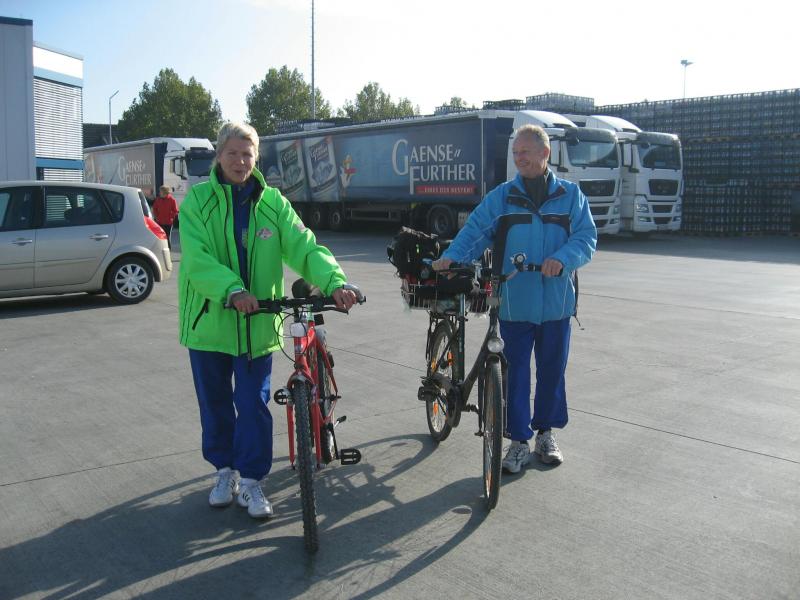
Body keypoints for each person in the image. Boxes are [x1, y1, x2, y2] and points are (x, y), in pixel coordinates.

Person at [177, 122, 358, 519]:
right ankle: (224, 472)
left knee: (253, 405)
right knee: (215, 404)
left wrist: (335, 281)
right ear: (219, 156)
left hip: (257, 324)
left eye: (247, 154)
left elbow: (304, 246)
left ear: (256, 158)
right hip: (209, 323)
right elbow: (196, 259)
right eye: (232, 153)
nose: (240, 161)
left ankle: (252, 481)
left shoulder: (273, 203)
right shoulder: (198, 202)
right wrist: (231, 290)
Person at [433, 124, 597, 472]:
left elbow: (586, 238)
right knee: (515, 375)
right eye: (515, 153)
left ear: (545, 153)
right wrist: (453, 257)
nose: (519, 158)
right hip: (514, 302)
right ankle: (518, 441)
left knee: (552, 372)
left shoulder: (571, 196)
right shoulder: (503, 197)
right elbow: (475, 231)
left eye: (525, 151)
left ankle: (546, 434)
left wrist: (562, 258)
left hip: (556, 303)